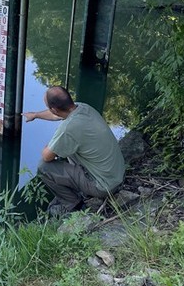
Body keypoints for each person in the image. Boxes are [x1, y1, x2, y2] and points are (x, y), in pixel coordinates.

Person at [23, 86, 125, 215]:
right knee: (69, 148)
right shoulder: (82, 107)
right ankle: (79, 185)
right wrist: (36, 115)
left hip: (103, 185)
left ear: (54, 109)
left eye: (48, 107)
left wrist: (52, 143)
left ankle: (72, 204)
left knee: (44, 167)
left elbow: (46, 156)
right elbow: (57, 115)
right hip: (116, 174)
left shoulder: (68, 129)